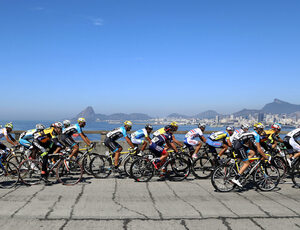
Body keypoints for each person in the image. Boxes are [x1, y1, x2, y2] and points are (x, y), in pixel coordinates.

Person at [231, 122, 270, 187]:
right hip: (238, 145)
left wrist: (257, 152)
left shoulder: (252, 133)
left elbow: (250, 145)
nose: (262, 131)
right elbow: (259, 149)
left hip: (236, 143)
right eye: (262, 129)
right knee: (247, 163)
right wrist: (266, 157)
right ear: (259, 129)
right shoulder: (256, 135)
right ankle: (236, 178)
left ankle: (243, 166)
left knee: (252, 152)